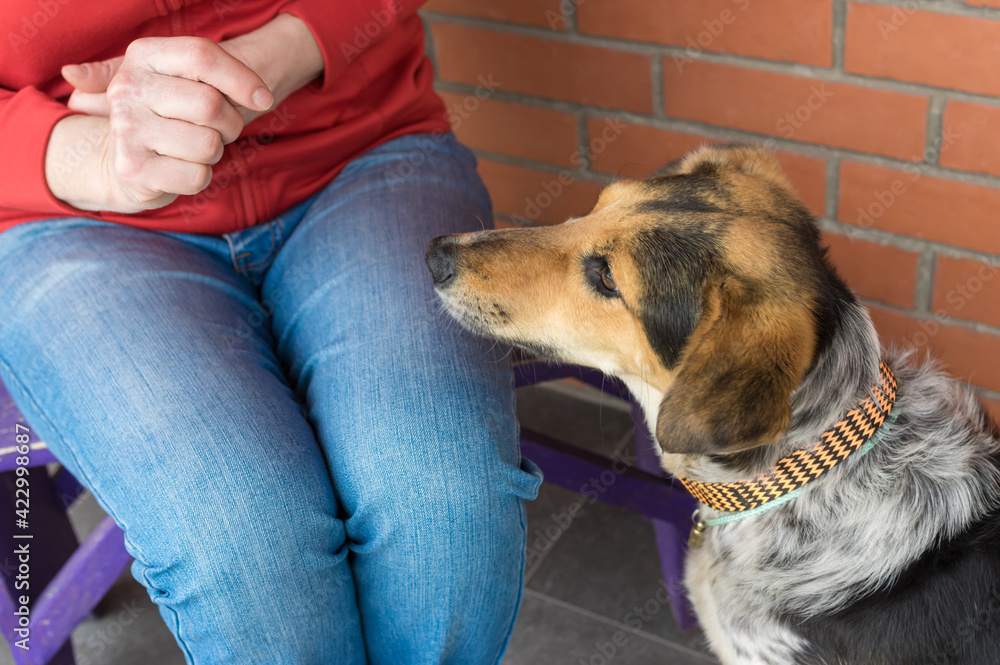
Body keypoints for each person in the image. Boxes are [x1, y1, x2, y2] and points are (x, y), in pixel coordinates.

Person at [0, 2, 541, 663]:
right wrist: (88, 159)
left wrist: (276, 54)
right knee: (239, 539)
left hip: (358, 152)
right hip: (66, 212)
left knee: (445, 505)